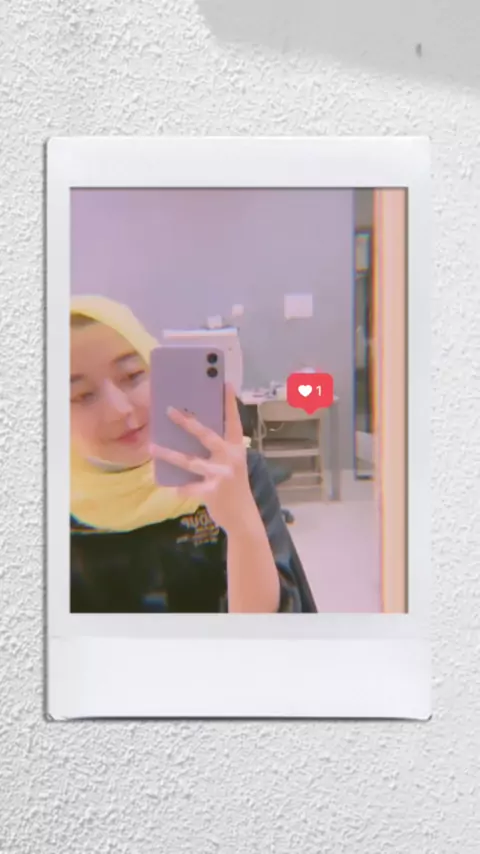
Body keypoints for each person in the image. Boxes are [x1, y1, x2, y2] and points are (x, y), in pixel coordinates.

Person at [70, 296, 305, 613]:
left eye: (133, 375)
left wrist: (241, 525)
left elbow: (264, 630)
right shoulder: (49, 503)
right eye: (82, 395)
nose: (119, 410)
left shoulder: (233, 473)